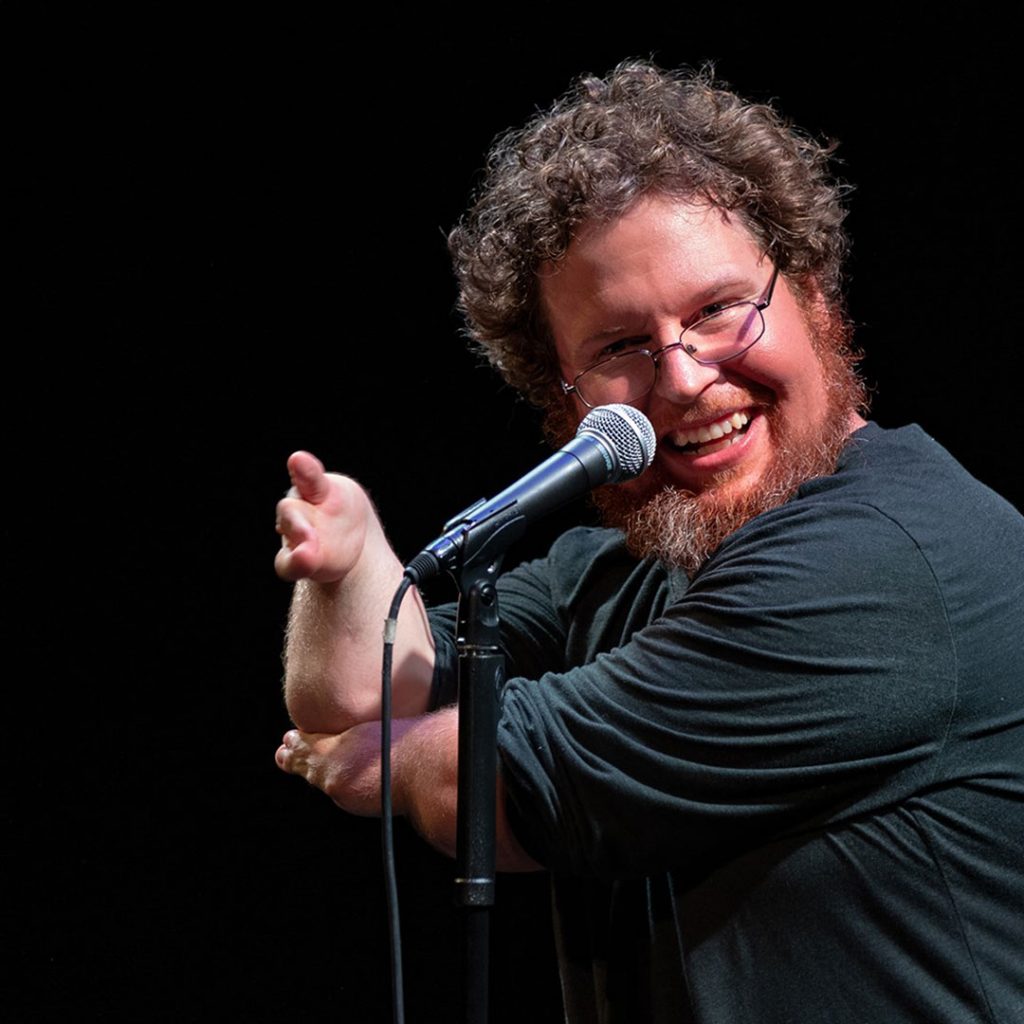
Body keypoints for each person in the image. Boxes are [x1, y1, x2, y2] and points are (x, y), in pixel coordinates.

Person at [272, 62, 1023, 1022]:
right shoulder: (622, 572)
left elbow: (496, 786)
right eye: (621, 346)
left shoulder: (888, 567)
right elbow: (370, 688)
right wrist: (348, 567)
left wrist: (373, 761)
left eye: (717, 310)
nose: (683, 378)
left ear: (818, 302)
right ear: (564, 398)